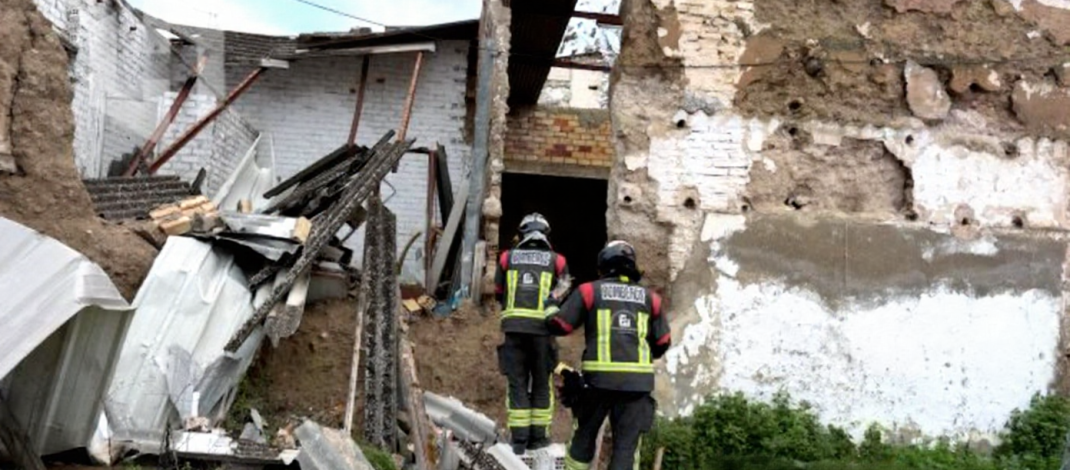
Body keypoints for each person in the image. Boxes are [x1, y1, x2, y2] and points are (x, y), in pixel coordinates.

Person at [545, 240, 671, 470]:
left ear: (603, 265)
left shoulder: (589, 291)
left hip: (597, 382)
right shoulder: (651, 298)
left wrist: (552, 301)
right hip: (637, 385)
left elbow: (560, 325)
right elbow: (663, 342)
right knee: (625, 449)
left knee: (583, 439)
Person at [494, 213, 571, 454]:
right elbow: (565, 287)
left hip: (514, 329)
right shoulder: (558, 260)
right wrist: (551, 302)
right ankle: (538, 438)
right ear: (546, 234)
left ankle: (519, 440)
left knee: (516, 381)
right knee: (541, 381)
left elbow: (498, 291)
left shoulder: (507, 257)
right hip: (543, 332)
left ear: (522, 233)